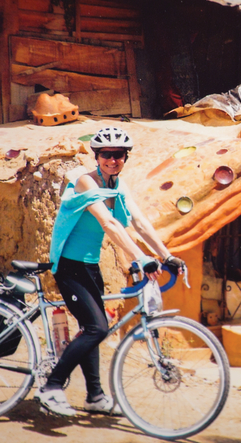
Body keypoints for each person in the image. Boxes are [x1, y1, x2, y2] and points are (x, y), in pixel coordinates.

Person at [36, 126, 186, 417]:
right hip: (69, 267)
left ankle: (94, 397)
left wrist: (167, 255)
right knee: (97, 329)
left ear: (125, 157)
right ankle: (52, 387)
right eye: (107, 155)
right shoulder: (84, 182)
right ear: (97, 156)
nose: (113, 160)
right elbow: (110, 224)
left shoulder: (118, 185)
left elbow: (139, 222)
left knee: (92, 329)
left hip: (89, 267)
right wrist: (141, 258)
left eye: (119, 155)